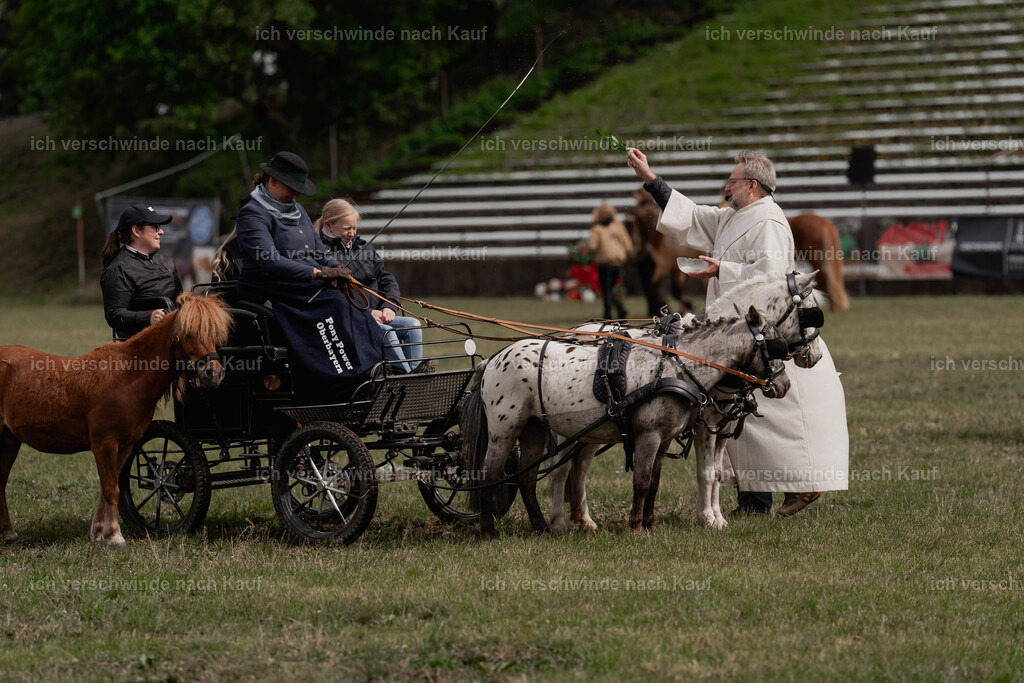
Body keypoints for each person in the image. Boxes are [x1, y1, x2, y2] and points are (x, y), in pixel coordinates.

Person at [627, 147, 849, 517]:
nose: (726, 187)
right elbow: (695, 218)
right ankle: (757, 498)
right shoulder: (737, 214)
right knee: (745, 418)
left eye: (732, 181)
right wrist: (651, 180)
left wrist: (722, 272)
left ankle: (776, 494)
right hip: (736, 334)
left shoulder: (770, 223)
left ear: (752, 184)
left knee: (761, 420)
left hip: (761, 339)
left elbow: (774, 286)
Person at [234, 151, 387, 397]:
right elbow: (270, 261)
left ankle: (378, 367)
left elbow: (319, 251)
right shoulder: (252, 213)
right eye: (290, 188)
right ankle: (346, 378)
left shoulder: (297, 210)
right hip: (274, 289)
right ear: (272, 181)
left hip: (304, 286)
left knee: (350, 301)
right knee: (336, 303)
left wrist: (337, 269)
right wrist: (317, 273)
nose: (295, 194)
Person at [315, 198, 430, 374]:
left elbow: (386, 279)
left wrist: (389, 306)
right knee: (388, 332)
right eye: (347, 228)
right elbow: (332, 297)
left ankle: (417, 377)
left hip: (377, 316)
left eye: (354, 228)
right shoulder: (321, 253)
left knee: (412, 325)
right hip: (348, 322)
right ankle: (408, 380)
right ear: (329, 225)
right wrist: (367, 314)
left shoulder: (365, 248)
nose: (352, 233)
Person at [100, 204, 183, 339]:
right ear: (137, 231)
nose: (161, 232)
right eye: (156, 227)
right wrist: (149, 317)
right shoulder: (118, 269)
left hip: (177, 336)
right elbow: (115, 315)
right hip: (145, 344)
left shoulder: (166, 261)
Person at [585, 203, 632, 320]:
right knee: (609, 290)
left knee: (606, 291)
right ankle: (618, 311)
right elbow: (628, 245)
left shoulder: (598, 229)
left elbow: (592, 246)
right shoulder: (618, 226)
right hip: (618, 264)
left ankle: (610, 314)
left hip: (605, 264)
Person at [624, 188, 666, 317]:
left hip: (644, 251)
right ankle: (659, 307)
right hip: (656, 250)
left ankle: (655, 308)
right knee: (654, 283)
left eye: (636, 196)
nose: (634, 199)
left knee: (648, 283)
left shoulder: (639, 211)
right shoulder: (656, 209)